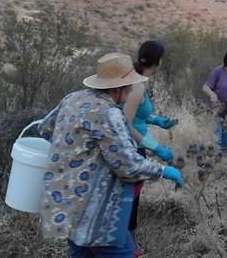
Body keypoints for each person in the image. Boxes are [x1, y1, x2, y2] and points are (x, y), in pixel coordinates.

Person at [38, 52, 183, 258]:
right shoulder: (109, 113)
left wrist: (78, 155)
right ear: (118, 88)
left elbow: (45, 128)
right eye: (130, 84)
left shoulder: (72, 99)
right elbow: (128, 166)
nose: (133, 88)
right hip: (99, 214)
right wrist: (164, 170)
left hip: (68, 205)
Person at [123, 40, 177, 254]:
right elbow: (125, 125)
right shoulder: (137, 86)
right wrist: (156, 147)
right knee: (130, 201)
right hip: (130, 149)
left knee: (132, 199)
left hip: (136, 147)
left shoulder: (139, 81)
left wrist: (158, 120)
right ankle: (128, 248)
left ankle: (128, 245)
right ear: (159, 61)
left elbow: (138, 114)